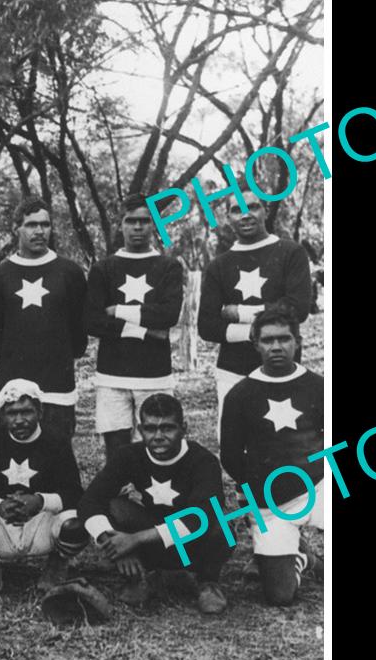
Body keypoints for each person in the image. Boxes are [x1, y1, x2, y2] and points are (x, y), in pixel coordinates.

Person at [79, 393, 232, 614]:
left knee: (221, 525)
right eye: (150, 429)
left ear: (184, 428)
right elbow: (90, 500)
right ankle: (142, 575)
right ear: (140, 431)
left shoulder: (203, 460)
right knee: (115, 506)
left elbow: (201, 517)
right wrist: (114, 544)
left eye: (167, 428)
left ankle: (207, 581)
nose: (158, 436)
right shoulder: (129, 455)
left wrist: (134, 539)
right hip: (152, 541)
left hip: (191, 543)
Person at [0, 380, 88, 595]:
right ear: (2, 415)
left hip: (41, 522)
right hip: (2, 522)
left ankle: (58, 562)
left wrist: (39, 501)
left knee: (79, 520)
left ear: (40, 411)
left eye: (26, 411)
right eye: (12, 413)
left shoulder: (55, 440)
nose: (19, 420)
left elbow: (75, 493)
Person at [220, 308, 324, 606]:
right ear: (256, 344)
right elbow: (230, 456)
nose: (276, 347)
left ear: (298, 342)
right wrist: (261, 490)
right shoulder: (240, 394)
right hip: (272, 501)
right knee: (280, 595)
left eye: (284, 338)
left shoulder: (319, 387)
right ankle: (300, 557)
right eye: (268, 340)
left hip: (318, 487)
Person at [198, 187, 312, 433]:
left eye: (253, 207)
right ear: (228, 218)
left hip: (284, 370)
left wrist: (237, 313)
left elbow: (298, 308)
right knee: (237, 450)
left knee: (285, 448)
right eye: (237, 210)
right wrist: (253, 332)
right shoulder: (219, 265)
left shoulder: (291, 252)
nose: (246, 215)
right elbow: (206, 326)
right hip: (233, 372)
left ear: (266, 210)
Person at [84, 194, 185, 458]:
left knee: (158, 447)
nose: (138, 227)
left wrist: (118, 310)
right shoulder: (103, 269)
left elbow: (169, 315)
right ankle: (120, 497)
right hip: (112, 374)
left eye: (144, 221)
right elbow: (93, 321)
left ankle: (156, 499)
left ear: (154, 225)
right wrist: (144, 330)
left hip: (154, 374)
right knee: (117, 449)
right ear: (121, 224)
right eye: (131, 221)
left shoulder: (168, 266)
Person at [0, 198, 88, 440]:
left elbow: (78, 331)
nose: (39, 231)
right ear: (16, 229)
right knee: (16, 461)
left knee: (58, 456)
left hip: (58, 386)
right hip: (15, 385)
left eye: (45, 224)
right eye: (31, 225)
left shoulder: (70, 272)